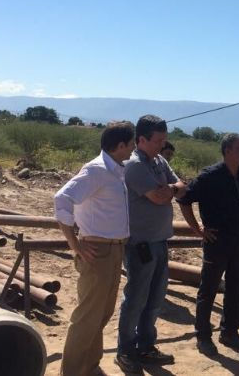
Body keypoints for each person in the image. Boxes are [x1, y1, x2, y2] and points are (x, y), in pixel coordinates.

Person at [54, 121, 136, 376]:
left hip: (113, 251)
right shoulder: (96, 170)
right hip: (96, 251)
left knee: (101, 314)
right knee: (87, 317)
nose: (134, 148)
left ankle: (89, 367)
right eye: (132, 143)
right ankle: (71, 372)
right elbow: (62, 199)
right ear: (121, 145)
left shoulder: (116, 170)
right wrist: (74, 244)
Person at [116, 115, 187, 374]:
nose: (162, 146)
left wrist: (169, 188)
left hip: (159, 241)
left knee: (155, 298)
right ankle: (125, 350)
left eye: (164, 140)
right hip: (140, 245)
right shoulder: (134, 166)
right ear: (141, 139)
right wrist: (170, 190)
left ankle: (146, 346)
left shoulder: (158, 161)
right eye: (158, 141)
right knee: (136, 299)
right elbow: (158, 198)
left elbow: (183, 187)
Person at [177, 133, 239, 357]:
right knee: (209, 288)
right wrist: (198, 230)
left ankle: (230, 332)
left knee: (236, 287)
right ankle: (203, 336)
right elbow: (184, 200)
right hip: (217, 241)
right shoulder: (209, 176)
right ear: (227, 151)